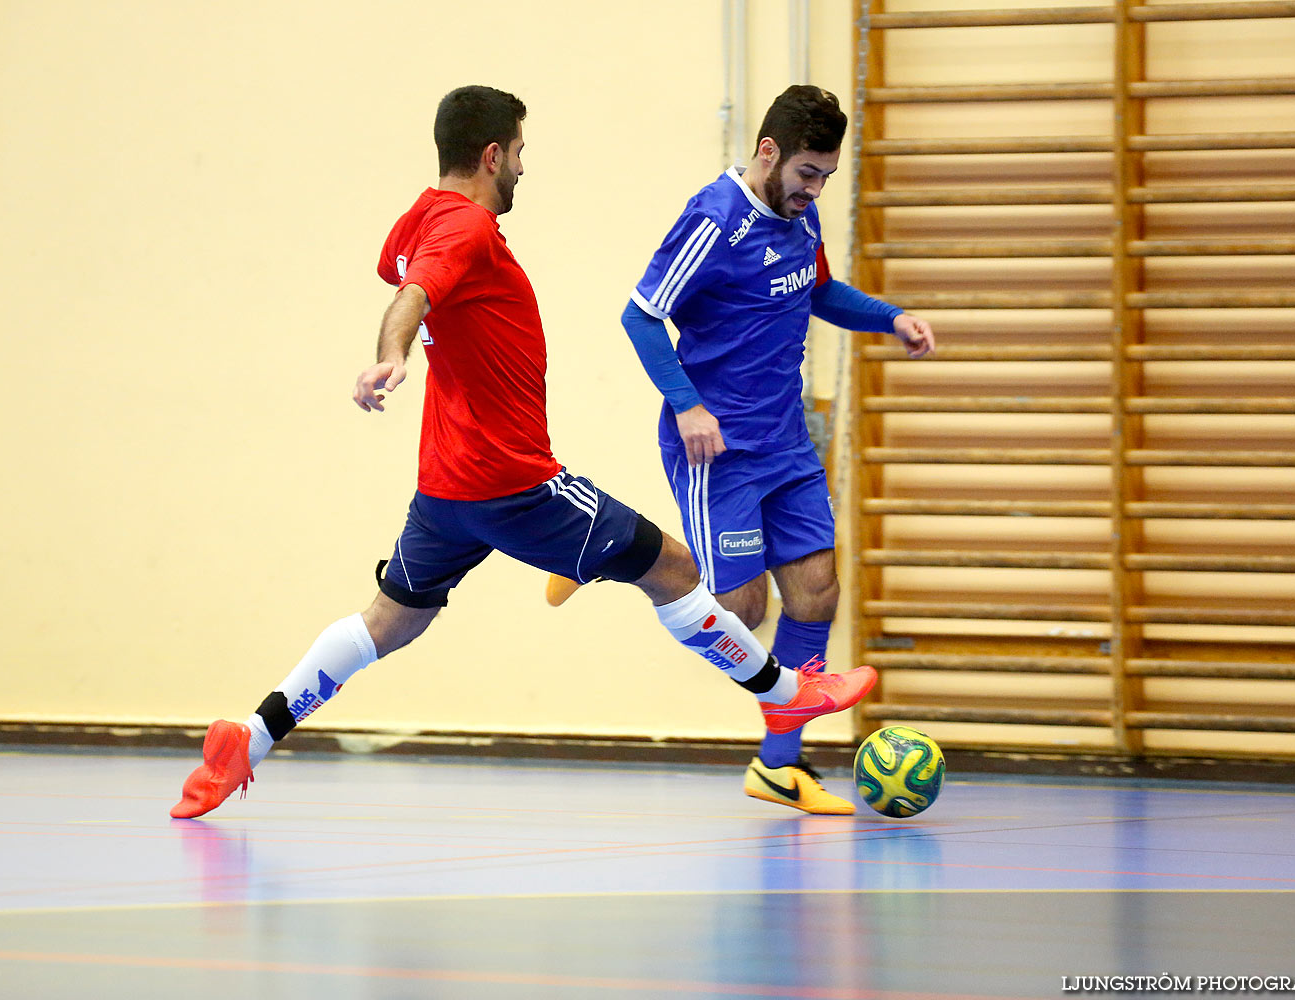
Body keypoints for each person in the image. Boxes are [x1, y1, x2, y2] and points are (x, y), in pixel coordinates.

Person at [170, 85, 880, 820]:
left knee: (387, 624)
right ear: (491, 156)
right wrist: (391, 354)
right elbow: (414, 290)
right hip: (513, 483)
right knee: (673, 568)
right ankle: (791, 694)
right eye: (518, 154)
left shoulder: (421, 218)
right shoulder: (467, 230)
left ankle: (250, 737)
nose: (521, 169)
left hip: (444, 490)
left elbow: (402, 267)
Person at [619, 85, 934, 815]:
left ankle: (778, 764)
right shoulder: (714, 219)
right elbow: (640, 317)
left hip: (785, 442)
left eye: (825, 175)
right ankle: (625, 558)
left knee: (817, 588)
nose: (815, 188)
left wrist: (892, 319)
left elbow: (818, 293)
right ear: (769, 152)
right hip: (716, 450)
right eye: (807, 173)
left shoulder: (803, 216)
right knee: (742, 611)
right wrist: (688, 403)